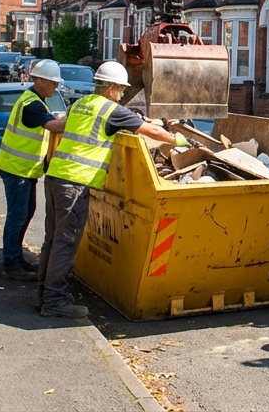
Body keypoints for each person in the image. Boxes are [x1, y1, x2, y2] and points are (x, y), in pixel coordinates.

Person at [36, 60, 185, 318]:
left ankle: (44, 295)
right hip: (75, 184)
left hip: (55, 177)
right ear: (112, 88)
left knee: (53, 240)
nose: (123, 95)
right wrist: (178, 139)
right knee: (66, 242)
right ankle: (54, 302)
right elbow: (148, 130)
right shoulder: (111, 111)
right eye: (122, 90)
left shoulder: (79, 104)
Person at [0, 59, 67, 282]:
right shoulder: (32, 104)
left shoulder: (37, 102)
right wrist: (82, 117)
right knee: (17, 217)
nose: (56, 87)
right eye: (53, 83)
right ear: (40, 80)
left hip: (24, 170)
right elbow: (54, 127)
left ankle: (16, 259)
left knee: (24, 214)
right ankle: (11, 264)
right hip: (17, 170)